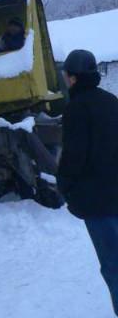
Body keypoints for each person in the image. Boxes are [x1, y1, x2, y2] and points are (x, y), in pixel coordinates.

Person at [57, 49, 118, 316]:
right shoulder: (111, 101)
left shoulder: (75, 109)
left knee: (114, 265)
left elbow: (73, 156)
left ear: (72, 78)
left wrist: (65, 187)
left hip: (98, 202)